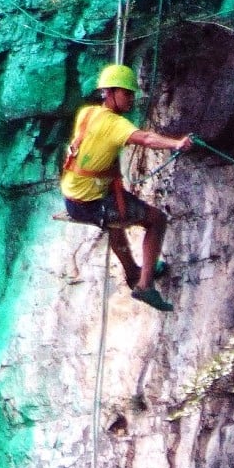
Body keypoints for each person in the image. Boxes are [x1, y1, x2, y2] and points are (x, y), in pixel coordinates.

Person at [61, 63, 193, 312]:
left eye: (132, 94)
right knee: (156, 220)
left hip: (73, 197)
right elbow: (146, 138)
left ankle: (133, 271)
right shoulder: (114, 124)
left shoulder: (87, 113)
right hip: (92, 202)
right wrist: (176, 144)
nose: (132, 99)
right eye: (127, 93)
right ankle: (145, 286)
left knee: (116, 220)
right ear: (110, 92)